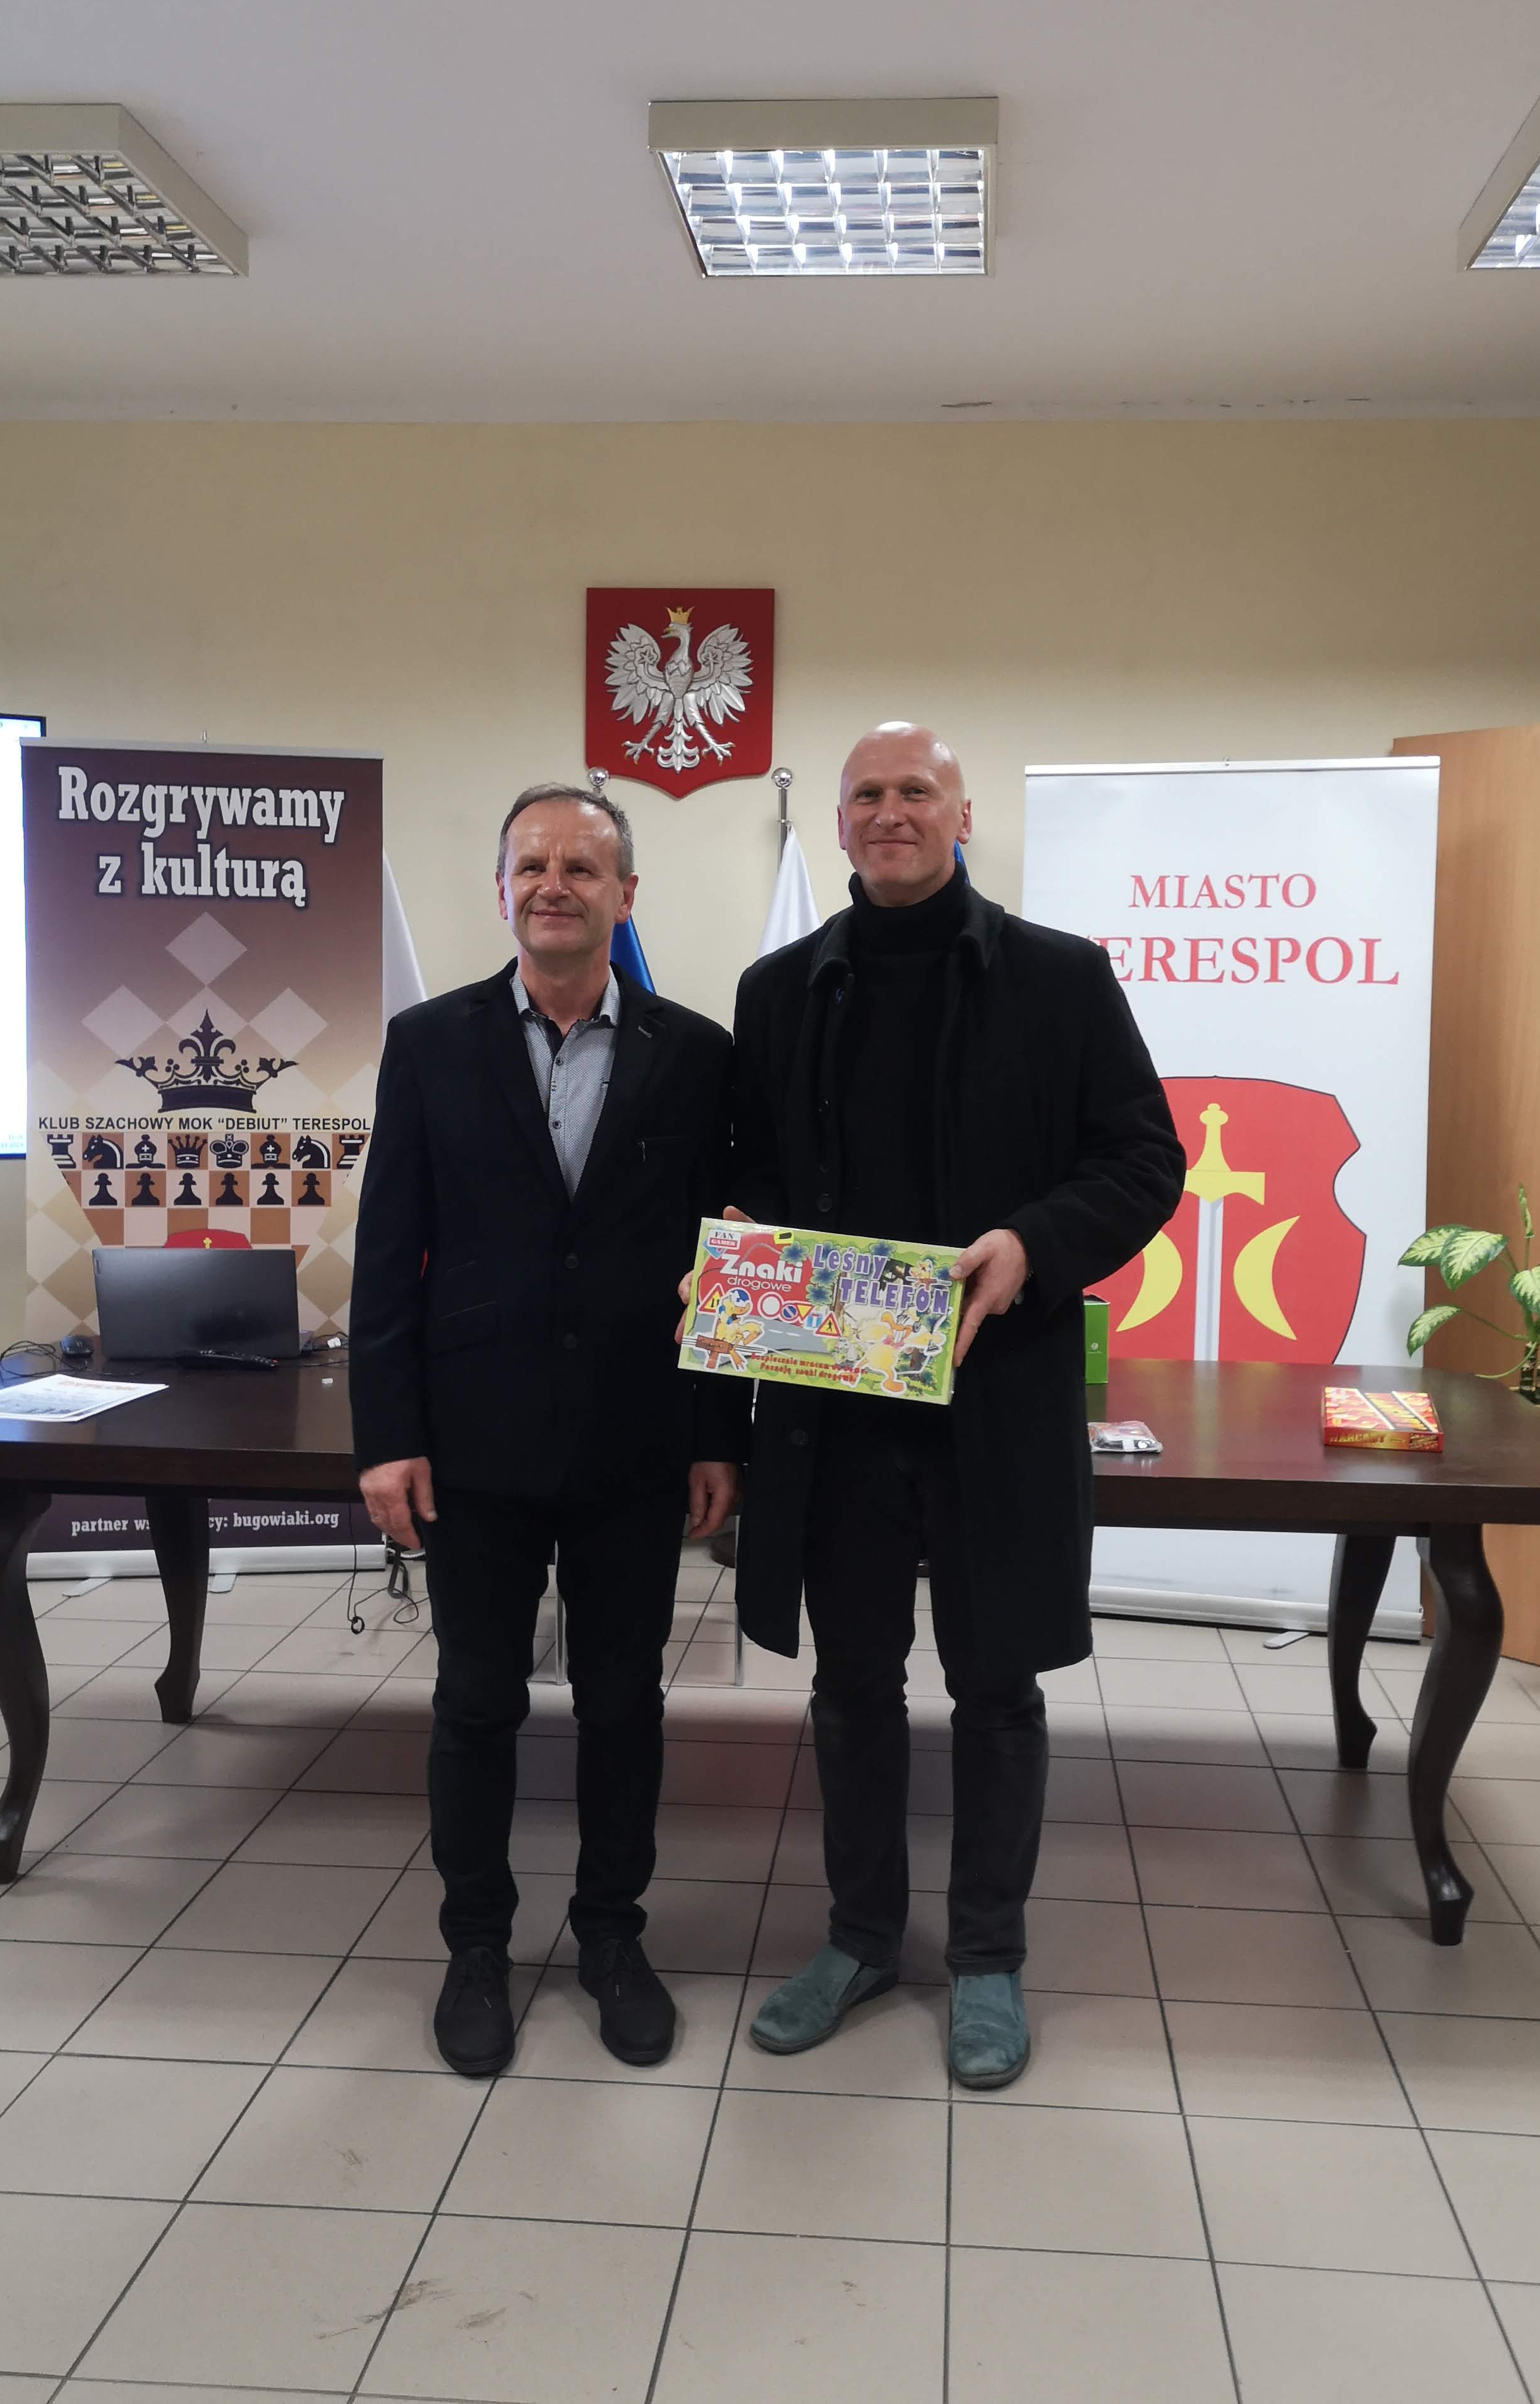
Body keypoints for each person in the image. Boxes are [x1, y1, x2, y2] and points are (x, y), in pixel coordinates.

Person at [728, 725, 1184, 2087]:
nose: (889, 812)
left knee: (996, 1686)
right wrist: (747, 1245)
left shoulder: (1060, 977)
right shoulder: (778, 989)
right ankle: (862, 1936)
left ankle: (987, 1955)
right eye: (866, 794)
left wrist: (1033, 1242)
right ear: (841, 824)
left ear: (962, 814)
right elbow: (752, 1171)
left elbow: (1143, 1159)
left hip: (998, 1398)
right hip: (838, 1402)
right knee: (852, 1685)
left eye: (915, 790)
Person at [352, 782, 742, 2077]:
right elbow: (388, 1251)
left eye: (583, 866)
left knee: (624, 1702)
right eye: (533, 865)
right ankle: (476, 1945)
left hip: (637, 1440)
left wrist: (717, 1431)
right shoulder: (429, 1042)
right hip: (475, 1442)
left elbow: (724, 1261)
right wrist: (386, 1433)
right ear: (503, 888)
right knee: (477, 1700)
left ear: (626, 893)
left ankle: (611, 1936)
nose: (555, 885)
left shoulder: (699, 1053)